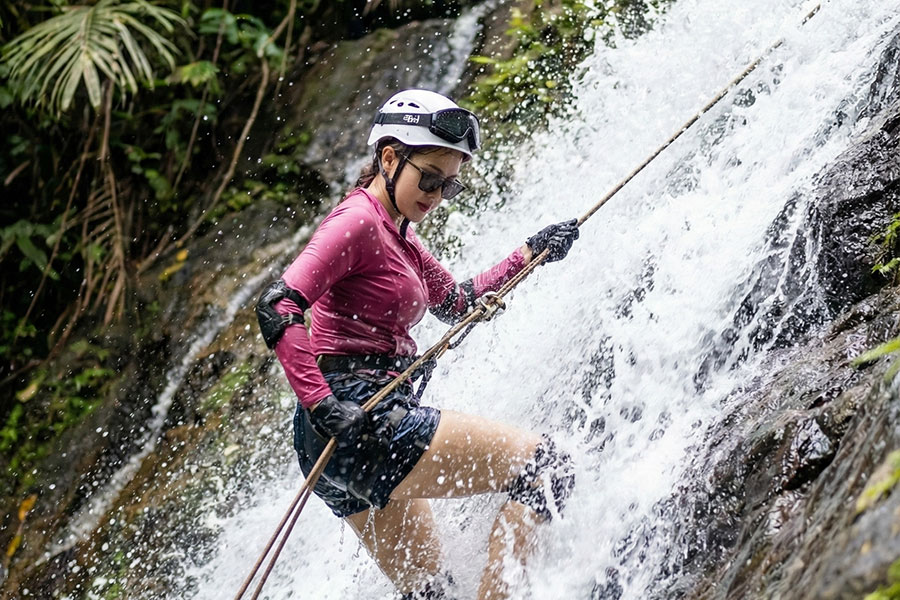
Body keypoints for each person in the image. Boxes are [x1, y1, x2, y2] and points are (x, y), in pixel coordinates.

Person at [256, 89, 580, 600]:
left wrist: (531, 252)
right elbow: (279, 305)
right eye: (428, 177)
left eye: (447, 186)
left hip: (334, 435)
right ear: (389, 157)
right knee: (546, 471)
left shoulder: (398, 237)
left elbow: (455, 301)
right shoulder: (357, 222)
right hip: (359, 417)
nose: (435, 194)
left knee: (432, 593)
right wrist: (324, 404)